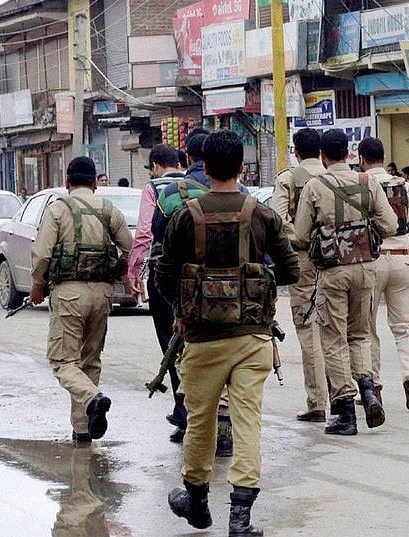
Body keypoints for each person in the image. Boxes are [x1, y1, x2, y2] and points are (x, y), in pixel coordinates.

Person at [156, 129, 298, 535]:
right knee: (247, 420)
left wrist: (184, 310)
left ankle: (197, 501)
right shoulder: (262, 214)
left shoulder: (186, 216)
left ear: (203, 167)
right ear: (241, 168)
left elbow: (164, 273)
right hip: (253, 337)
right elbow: (290, 270)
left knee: (200, 419)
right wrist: (256, 280)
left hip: (202, 338)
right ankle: (241, 517)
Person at [294, 129, 398, 436]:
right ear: (349, 154)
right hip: (366, 268)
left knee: (334, 339)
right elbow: (390, 224)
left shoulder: (315, 185)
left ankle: (344, 410)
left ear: (323, 156)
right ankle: (367, 386)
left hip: (333, 272)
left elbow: (300, 234)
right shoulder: (367, 182)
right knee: (360, 334)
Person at [150, 129, 249, 450]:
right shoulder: (244, 196)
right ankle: (223, 417)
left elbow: (156, 236)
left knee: (179, 348)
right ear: (239, 166)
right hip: (235, 289)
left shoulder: (170, 194)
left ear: (190, 160)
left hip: (186, 288)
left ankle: (188, 413)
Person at [29, 156, 133, 445]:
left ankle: (93, 398)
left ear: (67, 182)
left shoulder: (58, 209)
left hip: (68, 293)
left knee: (63, 361)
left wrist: (37, 285)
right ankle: (83, 428)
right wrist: (122, 273)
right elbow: (129, 246)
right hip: (102, 294)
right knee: (90, 359)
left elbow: (42, 254)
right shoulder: (108, 209)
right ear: (94, 184)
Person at [360, 137, 409, 412]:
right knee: (404, 329)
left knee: (367, 329)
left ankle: (374, 386)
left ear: (362, 159)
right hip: (403, 261)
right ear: (383, 156)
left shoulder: (362, 185)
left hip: (372, 261)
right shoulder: (403, 185)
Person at [127, 144, 189, 444]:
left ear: (154, 166)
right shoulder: (194, 185)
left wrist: (134, 272)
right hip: (197, 277)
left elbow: (144, 233)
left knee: (171, 341)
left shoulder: (154, 188)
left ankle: (183, 408)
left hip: (164, 276)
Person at [271, 128, 330, 423]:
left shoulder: (288, 180)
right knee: (341, 329)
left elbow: (278, 219)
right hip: (339, 260)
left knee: (309, 329)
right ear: (321, 152)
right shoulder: (337, 177)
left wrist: (303, 238)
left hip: (304, 260)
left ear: (296, 152)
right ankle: (348, 395)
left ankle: (317, 401)